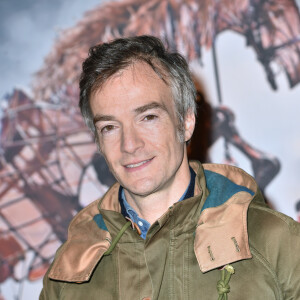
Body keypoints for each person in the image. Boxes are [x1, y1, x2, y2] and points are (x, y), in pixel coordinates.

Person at [40, 35, 300, 300]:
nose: (129, 144)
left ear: (186, 121)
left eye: (148, 117)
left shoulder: (277, 243)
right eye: (109, 127)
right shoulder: (69, 271)